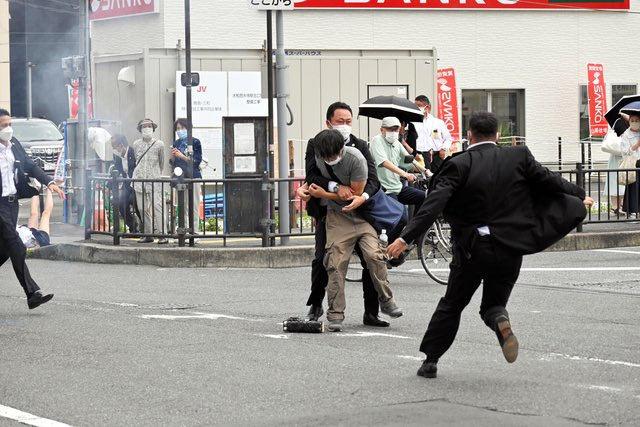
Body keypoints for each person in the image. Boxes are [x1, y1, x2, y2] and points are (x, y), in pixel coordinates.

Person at [387, 111, 593, 379]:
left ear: (469, 135)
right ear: (497, 135)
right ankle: (499, 320)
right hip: (511, 246)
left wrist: (405, 238)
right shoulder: (518, 157)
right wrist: (580, 196)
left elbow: (432, 204)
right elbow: (550, 180)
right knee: (494, 304)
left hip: (472, 248)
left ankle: (431, 360)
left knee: (453, 303)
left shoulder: (459, 164)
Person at [298, 101, 392, 328]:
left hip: (360, 214)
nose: (344, 126)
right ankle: (316, 305)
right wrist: (334, 187)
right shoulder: (316, 144)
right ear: (329, 122)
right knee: (323, 260)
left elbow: (373, 180)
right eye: (340, 122)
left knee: (372, 259)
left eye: (348, 122)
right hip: (328, 214)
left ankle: (372, 312)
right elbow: (312, 175)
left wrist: (364, 197)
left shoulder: (360, 146)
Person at [0, 108, 64, 309]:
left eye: (9, 124)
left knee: (5, 250)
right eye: (3, 125)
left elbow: (30, 166)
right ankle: (32, 294)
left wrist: (49, 182)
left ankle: (31, 294)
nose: (8, 128)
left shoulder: (14, 145)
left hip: (12, 204)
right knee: (17, 244)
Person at [370, 116, 426, 210]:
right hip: (384, 189)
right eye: (390, 129)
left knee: (424, 197)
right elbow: (384, 162)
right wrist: (405, 174)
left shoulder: (396, 143)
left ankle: (417, 224)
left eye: (396, 130)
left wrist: (425, 170)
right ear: (381, 129)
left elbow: (410, 159)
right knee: (401, 217)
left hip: (398, 187)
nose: (393, 132)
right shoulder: (377, 140)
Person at [132, 118, 167, 244]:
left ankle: (162, 234)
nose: (146, 128)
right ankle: (148, 234)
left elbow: (161, 163)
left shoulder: (159, 144)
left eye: (149, 126)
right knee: (142, 208)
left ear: (153, 128)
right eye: (144, 127)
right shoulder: (136, 144)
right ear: (140, 130)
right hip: (139, 180)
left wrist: (156, 173)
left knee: (157, 207)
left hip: (154, 180)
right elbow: (137, 160)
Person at [413, 95, 452, 173]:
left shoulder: (437, 122)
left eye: (419, 106)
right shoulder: (412, 122)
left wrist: (443, 149)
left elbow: (448, 138)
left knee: (437, 179)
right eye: (415, 106)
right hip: (419, 156)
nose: (417, 108)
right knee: (421, 179)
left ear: (427, 107)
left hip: (436, 156)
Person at [111, 134, 138, 232]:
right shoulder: (118, 157)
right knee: (121, 204)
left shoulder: (132, 152)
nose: (115, 150)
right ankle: (132, 226)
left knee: (136, 203)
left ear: (121, 145)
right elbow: (118, 170)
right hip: (127, 185)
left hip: (135, 184)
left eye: (115, 147)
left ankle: (143, 228)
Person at [601, 119, 627, 214]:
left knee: (618, 184)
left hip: (618, 160)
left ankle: (616, 207)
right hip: (619, 160)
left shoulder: (618, 121)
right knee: (617, 184)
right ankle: (616, 207)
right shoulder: (621, 121)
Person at [620, 113, 640, 216]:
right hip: (633, 163)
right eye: (632, 120)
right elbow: (625, 152)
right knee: (633, 187)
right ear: (629, 121)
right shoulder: (626, 135)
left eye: (637, 120)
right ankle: (632, 212)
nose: (635, 123)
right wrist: (636, 145)